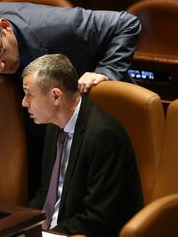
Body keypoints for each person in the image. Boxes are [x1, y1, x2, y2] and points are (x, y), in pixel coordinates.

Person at [22, 54, 143, 237]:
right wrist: (22, 225)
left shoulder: (103, 135)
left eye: (29, 95)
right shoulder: (54, 125)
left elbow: (98, 217)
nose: (24, 103)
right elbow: (46, 193)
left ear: (56, 96)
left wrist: (47, 234)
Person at [0, 0, 141, 93]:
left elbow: (127, 23)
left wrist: (106, 72)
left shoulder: (64, 26)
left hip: (86, 102)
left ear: (4, 26)